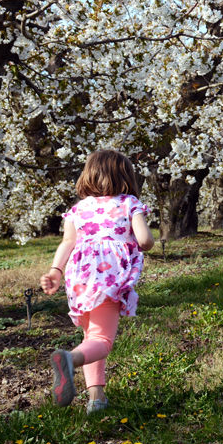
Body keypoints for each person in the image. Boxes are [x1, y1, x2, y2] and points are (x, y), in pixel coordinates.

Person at [40, 150, 154, 414]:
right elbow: (145, 240)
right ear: (126, 176)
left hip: (80, 276)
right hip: (109, 276)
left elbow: (68, 242)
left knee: (91, 336)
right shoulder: (129, 203)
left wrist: (55, 271)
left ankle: (97, 399)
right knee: (102, 341)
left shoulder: (79, 209)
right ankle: (69, 359)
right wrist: (144, 241)